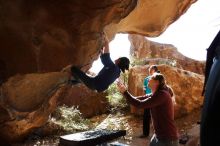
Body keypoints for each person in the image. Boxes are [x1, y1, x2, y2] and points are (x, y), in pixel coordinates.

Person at [117, 73, 179, 146]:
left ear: (157, 82)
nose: (148, 79)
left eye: (151, 78)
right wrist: (124, 92)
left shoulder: (162, 95)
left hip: (168, 139)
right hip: (158, 136)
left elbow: (140, 104)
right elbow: (138, 99)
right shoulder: (155, 94)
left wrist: (125, 92)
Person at [64, 36, 130, 92]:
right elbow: (106, 61)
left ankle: (66, 76)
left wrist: (106, 42)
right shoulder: (117, 73)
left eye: (119, 58)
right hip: (94, 86)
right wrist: (101, 53)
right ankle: (71, 81)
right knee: (78, 80)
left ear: (120, 61)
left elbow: (107, 57)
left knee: (73, 68)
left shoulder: (114, 68)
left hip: (93, 83)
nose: (117, 58)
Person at [141, 65, 160, 138]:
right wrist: (143, 98)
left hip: (156, 99)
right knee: (146, 116)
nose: (150, 70)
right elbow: (144, 90)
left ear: (155, 70)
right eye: (149, 69)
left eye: (151, 69)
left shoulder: (159, 78)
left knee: (158, 116)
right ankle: (145, 134)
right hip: (148, 100)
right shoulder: (146, 79)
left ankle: (159, 134)